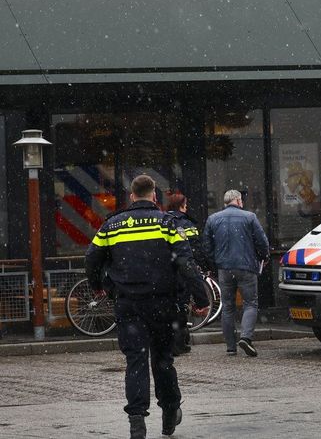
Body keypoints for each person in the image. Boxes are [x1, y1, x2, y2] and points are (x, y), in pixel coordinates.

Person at [85, 174, 210, 439]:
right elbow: (186, 263)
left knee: (136, 362)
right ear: (154, 196)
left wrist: (98, 286)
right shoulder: (167, 223)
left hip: (128, 304)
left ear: (132, 196)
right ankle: (169, 412)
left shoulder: (112, 225)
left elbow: (92, 257)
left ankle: (137, 420)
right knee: (163, 360)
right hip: (163, 304)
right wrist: (201, 299)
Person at [202, 189, 270, 357]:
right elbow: (262, 242)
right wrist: (263, 256)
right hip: (246, 267)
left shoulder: (213, 219)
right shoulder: (250, 217)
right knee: (250, 303)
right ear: (239, 201)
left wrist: (214, 262)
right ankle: (246, 338)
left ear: (225, 202)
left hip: (224, 268)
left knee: (228, 307)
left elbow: (207, 246)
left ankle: (230, 347)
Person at [165, 192, 212, 356]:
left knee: (171, 307)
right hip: (183, 270)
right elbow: (196, 249)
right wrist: (204, 266)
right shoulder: (186, 224)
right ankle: (179, 344)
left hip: (165, 272)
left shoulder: (163, 220)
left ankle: (175, 342)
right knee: (181, 306)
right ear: (182, 206)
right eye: (186, 204)